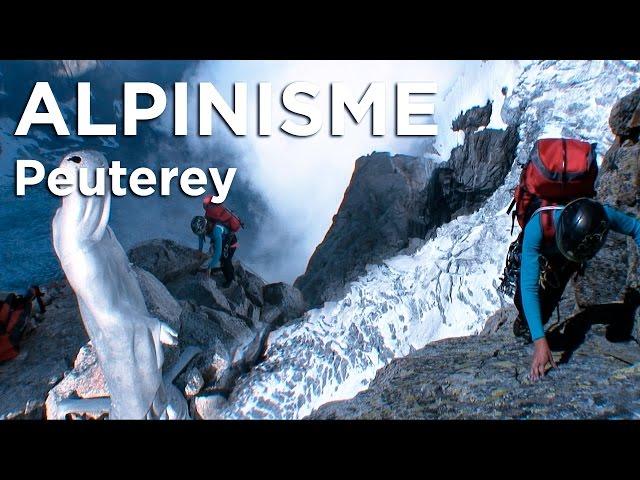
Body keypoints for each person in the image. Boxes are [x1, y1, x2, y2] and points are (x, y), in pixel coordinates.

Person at [513, 197, 640, 381]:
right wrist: (540, 341)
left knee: (547, 306)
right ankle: (524, 321)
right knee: (524, 303)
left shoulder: (601, 216)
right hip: (546, 253)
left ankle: (533, 321)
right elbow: (528, 286)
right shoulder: (538, 226)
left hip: (566, 257)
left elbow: (636, 229)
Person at [191, 215, 237, 288]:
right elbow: (201, 237)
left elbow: (218, 253)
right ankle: (214, 268)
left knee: (224, 260)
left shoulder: (216, 231)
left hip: (231, 242)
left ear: (205, 228)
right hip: (220, 240)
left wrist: (210, 267)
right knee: (212, 255)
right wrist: (200, 250)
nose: (200, 234)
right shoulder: (204, 224)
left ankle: (230, 279)